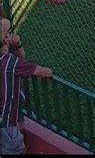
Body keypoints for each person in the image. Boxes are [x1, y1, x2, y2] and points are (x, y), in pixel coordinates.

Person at [1, 14, 54, 155]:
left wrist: (17, 45)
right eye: (8, 32)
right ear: (6, 39)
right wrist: (17, 43)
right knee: (17, 151)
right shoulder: (10, 64)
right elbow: (47, 73)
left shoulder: (10, 62)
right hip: (4, 123)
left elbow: (21, 61)